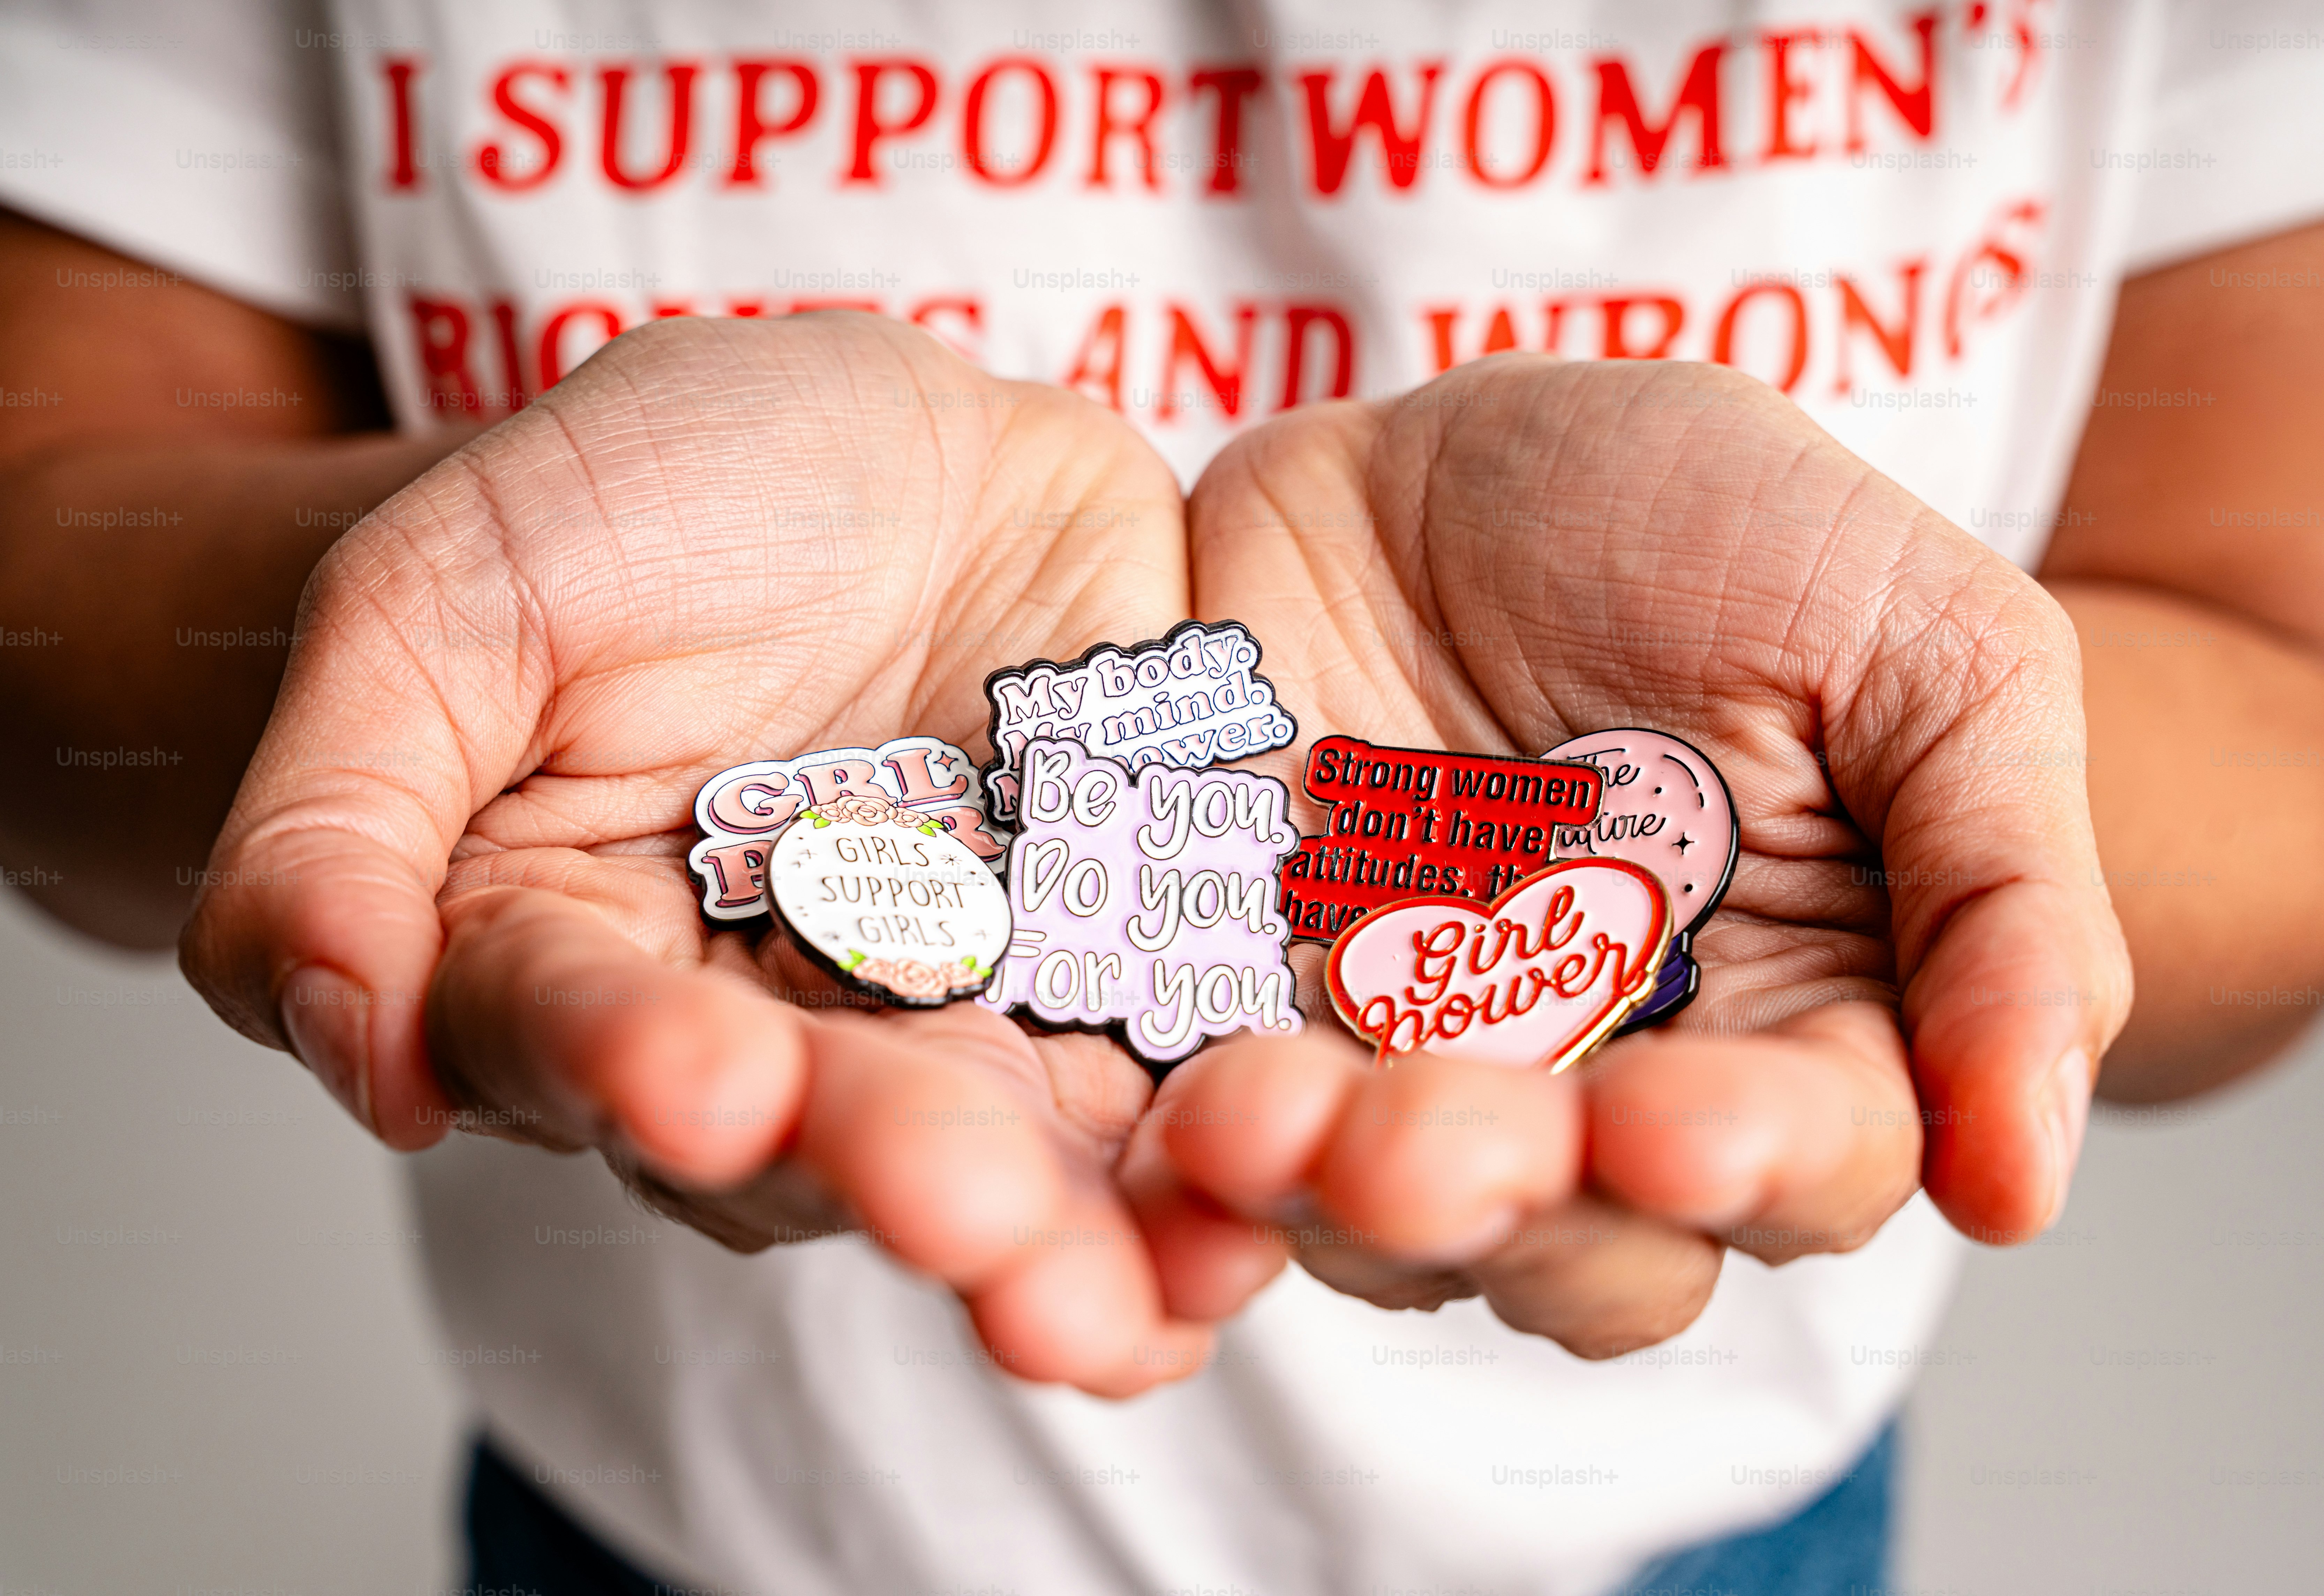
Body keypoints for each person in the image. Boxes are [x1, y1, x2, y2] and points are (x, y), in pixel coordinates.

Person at [2, 3, 2320, 1591]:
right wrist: (459, 621)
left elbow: (2276, 697)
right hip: (677, 1528)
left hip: (1710, 1531)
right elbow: (44, 565)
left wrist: (1932, 783)